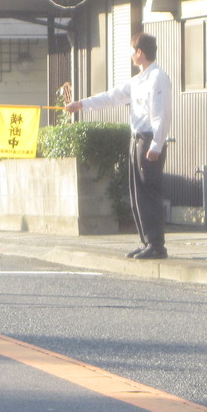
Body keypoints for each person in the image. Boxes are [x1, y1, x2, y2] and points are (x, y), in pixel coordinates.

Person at [64, 32, 173, 259]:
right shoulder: (137, 81)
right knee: (136, 193)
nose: (131, 55)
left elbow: (162, 114)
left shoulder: (158, 78)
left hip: (148, 139)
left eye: (133, 51)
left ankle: (156, 244)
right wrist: (81, 104)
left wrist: (157, 144)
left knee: (149, 191)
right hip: (135, 139)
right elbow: (111, 97)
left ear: (140, 52)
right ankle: (145, 241)